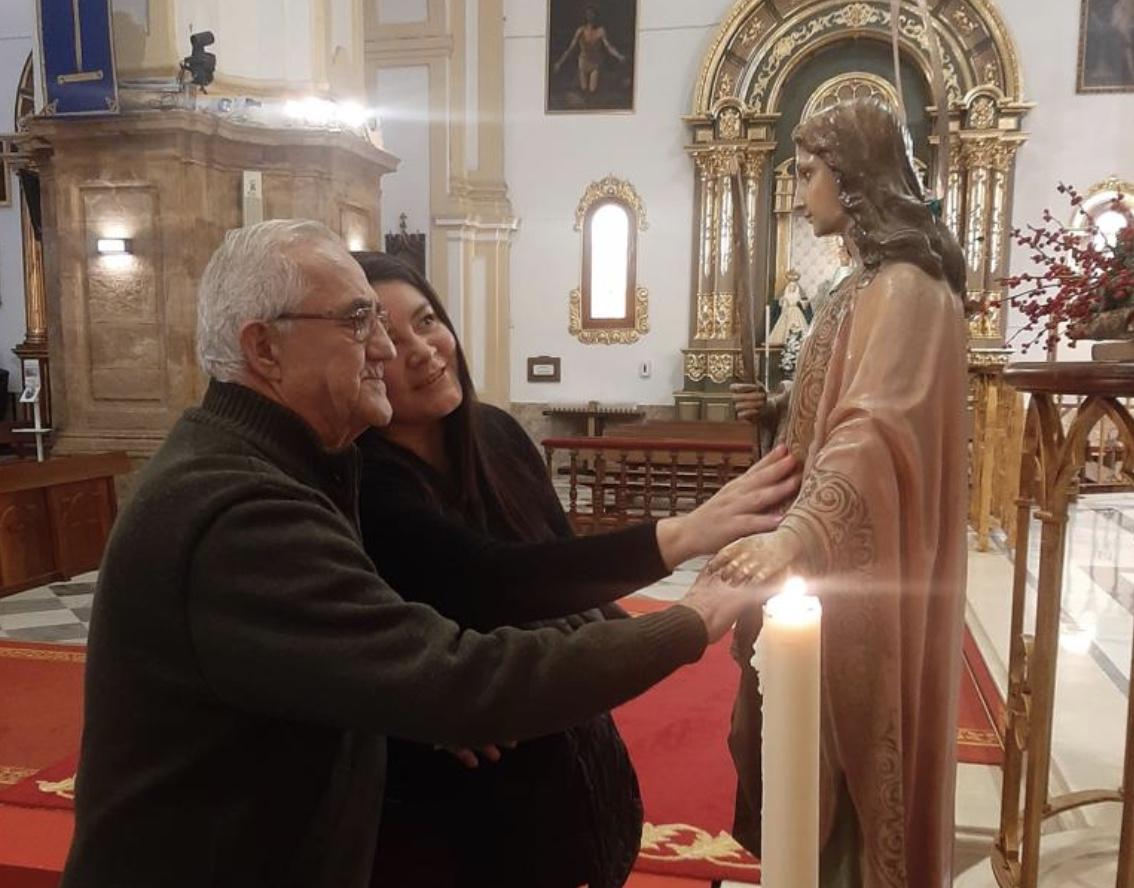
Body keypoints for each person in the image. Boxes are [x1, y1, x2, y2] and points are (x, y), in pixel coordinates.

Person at [59, 220, 789, 888]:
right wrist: (693, 616)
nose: (386, 347)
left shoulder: (293, 467)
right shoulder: (240, 515)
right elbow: (460, 679)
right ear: (263, 348)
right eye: (357, 321)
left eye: (391, 319)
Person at [350, 251, 800, 887]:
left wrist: (647, 633)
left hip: (574, 756)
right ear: (359, 363)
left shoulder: (497, 434)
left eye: (427, 321)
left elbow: (559, 571)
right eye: (389, 341)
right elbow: (496, 581)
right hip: (468, 803)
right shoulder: (368, 483)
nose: (422, 350)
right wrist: (686, 537)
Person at [710, 97, 969, 888]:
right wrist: (784, 415)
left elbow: (872, 436)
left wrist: (795, 536)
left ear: (854, 178)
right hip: (826, 563)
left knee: (849, 763)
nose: (798, 190)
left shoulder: (906, 291)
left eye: (810, 170)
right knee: (795, 746)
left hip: (856, 575)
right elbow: (833, 415)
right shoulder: (856, 290)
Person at [553, 4, 627, 96]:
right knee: (584, 90)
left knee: (592, 91)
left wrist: (619, 56)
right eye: (588, 15)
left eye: (592, 15)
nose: (591, 17)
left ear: (596, 16)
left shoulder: (601, 31)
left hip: (596, 62)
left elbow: (608, 46)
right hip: (583, 62)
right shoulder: (581, 30)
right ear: (586, 17)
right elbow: (570, 48)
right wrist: (559, 62)